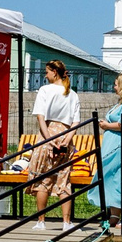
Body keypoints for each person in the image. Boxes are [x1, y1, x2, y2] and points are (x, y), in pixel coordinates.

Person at [85, 71, 122, 235]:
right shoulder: (118, 104)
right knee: (112, 179)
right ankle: (114, 213)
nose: (114, 86)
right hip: (113, 147)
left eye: (116, 84)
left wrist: (106, 126)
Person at [29, 59, 80, 229]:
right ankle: (66, 222)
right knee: (64, 179)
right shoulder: (72, 94)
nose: (46, 75)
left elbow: (41, 118)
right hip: (65, 135)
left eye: (47, 71)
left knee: (43, 179)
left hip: (48, 133)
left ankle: (41, 221)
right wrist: (66, 140)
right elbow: (75, 122)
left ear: (54, 72)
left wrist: (48, 140)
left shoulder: (44, 90)